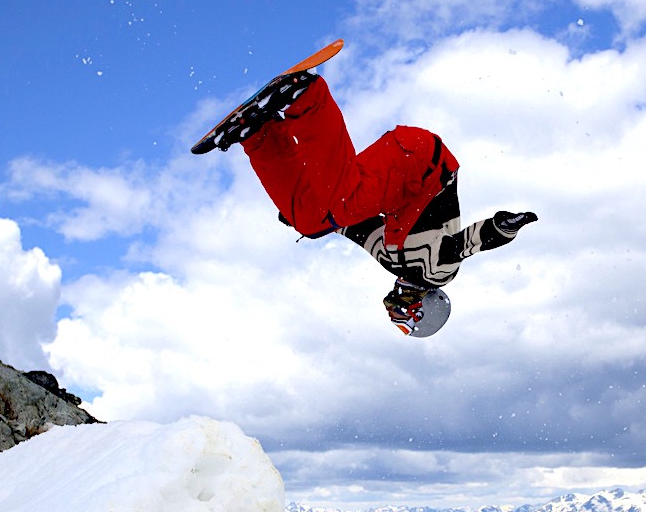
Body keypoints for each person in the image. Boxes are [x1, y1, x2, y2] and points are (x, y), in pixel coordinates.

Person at [218, 71, 537, 337]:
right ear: (420, 309)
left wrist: (305, 217)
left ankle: (258, 133)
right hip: (423, 166)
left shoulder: (392, 260)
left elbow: (354, 227)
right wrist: (503, 228)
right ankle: (307, 97)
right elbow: (469, 243)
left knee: (312, 221)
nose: (393, 316)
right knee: (342, 204)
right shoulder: (437, 272)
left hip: (401, 182)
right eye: (403, 323)